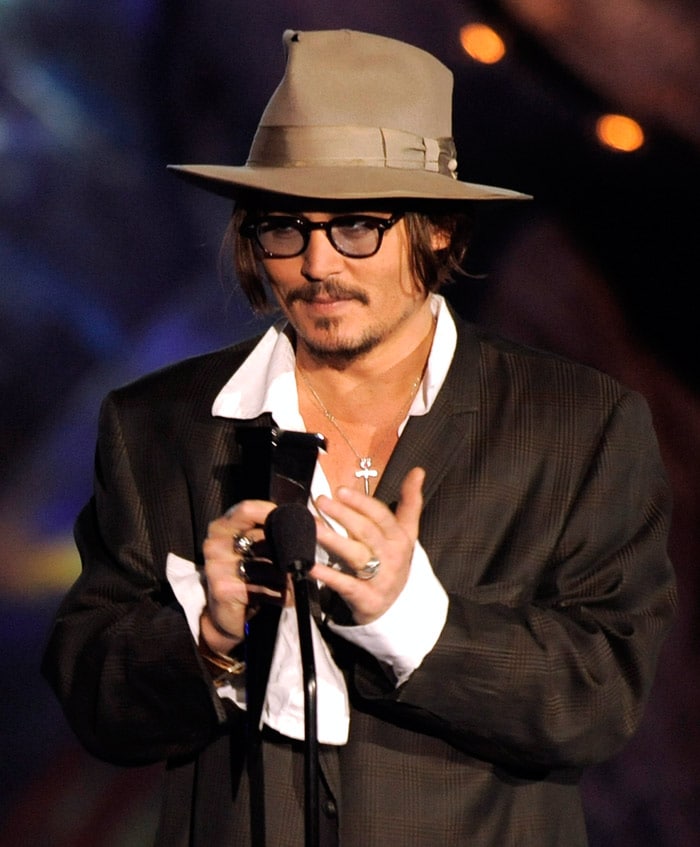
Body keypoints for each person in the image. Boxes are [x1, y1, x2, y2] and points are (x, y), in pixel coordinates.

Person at [42, 28, 676, 847]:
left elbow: (600, 701)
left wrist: (412, 620)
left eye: (357, 227)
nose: (316, 264)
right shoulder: (154, 426)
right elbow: (96, 696)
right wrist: (207, 634)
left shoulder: (580, 424)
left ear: (440, 227)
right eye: (284, 228)